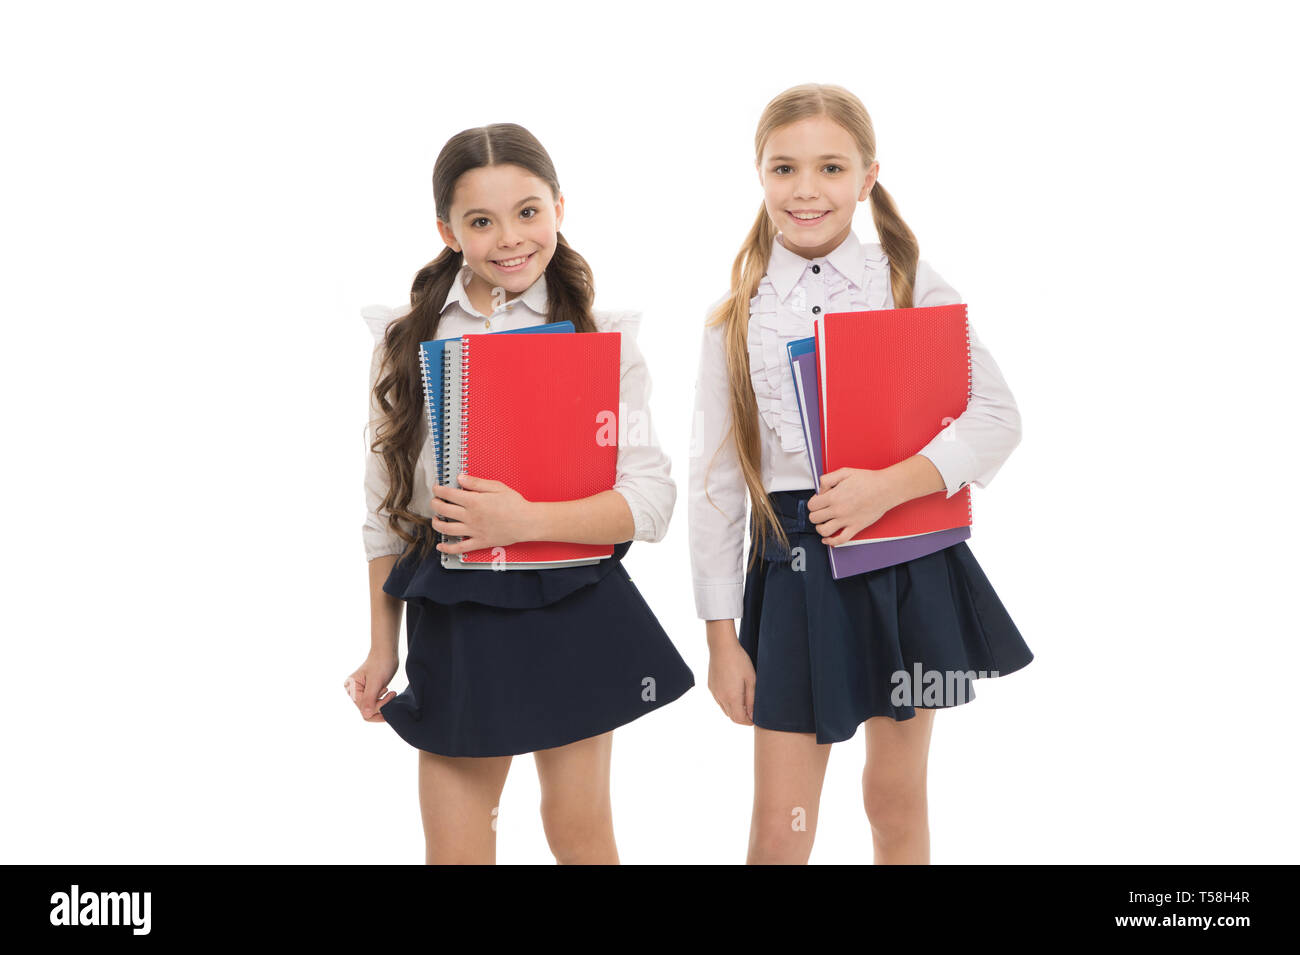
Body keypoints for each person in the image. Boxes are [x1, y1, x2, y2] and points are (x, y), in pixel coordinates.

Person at [689, 84, 1033, 864]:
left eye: (830, 168)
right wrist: (720, 637)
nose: (806, 189)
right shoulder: (734, 313)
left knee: (894, 798)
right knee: (781, 826)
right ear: (759, 174)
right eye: (785, 168)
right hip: (794, 569)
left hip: (905, 565)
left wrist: (892, 484)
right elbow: (713, 485)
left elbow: (998, 417)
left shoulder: (907, 280)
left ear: (868, 176)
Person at [348, 123, 693, 865]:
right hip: (455, 613)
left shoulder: (603, 340)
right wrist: (384, 649)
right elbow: (385, 516)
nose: (510, 238)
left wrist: (524, 517)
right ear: (447, 231)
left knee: (578, 830)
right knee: (457, 848)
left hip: (569, 600)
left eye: (528, 211)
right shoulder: (406, 342)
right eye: (481, 221)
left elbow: (654, 501)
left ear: (560, 208)